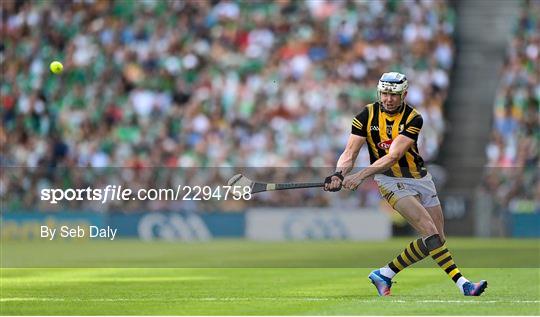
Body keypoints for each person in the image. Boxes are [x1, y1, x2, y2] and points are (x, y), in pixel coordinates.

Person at [324, 72, 488, 296]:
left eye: (394, 95)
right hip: (390, 180)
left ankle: (385, 273)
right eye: (384, 93)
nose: (388, 99)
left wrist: (360, 176)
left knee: (437, 239)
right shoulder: (366, 115)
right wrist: (338, 175)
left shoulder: (413, 118)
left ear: (404, 95)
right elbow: (349, 153)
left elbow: (394, 155)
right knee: (429, 231)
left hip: (420, 179)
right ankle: (464, 285)